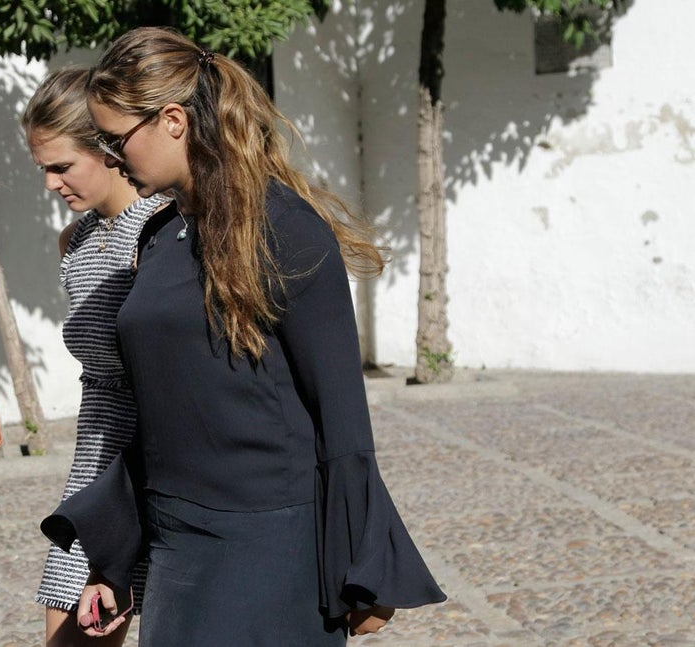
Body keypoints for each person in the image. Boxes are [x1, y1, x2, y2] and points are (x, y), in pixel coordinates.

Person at [41, 27, 446, 645]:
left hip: (269, 551)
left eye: (115, 140)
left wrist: (360, 569)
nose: (112, 157)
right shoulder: (159, 238)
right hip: (178, 549)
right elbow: (157, 412)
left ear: (173, 120)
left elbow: (340, 417)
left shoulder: (286, 230)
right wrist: (113, 562)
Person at [21, 67, 170, 646]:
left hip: (157, 455)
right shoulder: (76, 241)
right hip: (96, 458)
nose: (51, 184)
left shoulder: (162, 230)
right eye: (43, 170)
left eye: (62, 166)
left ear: (108, 149)